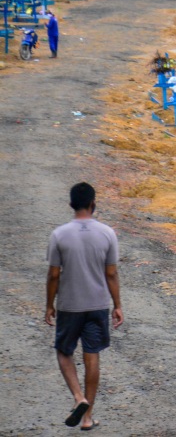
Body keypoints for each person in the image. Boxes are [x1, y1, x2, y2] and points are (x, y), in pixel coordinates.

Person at [45, 182, 124, 431]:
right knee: (92, 355)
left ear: (71, 204)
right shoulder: (107, 233)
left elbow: (53, 275)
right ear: (93, 204)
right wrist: (117, 305)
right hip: (98, 304)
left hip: (69, 305)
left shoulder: (59, 235)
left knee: (63, 351)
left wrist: (49, 305)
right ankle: (88, 418)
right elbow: (111, 274)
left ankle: (79, 397)